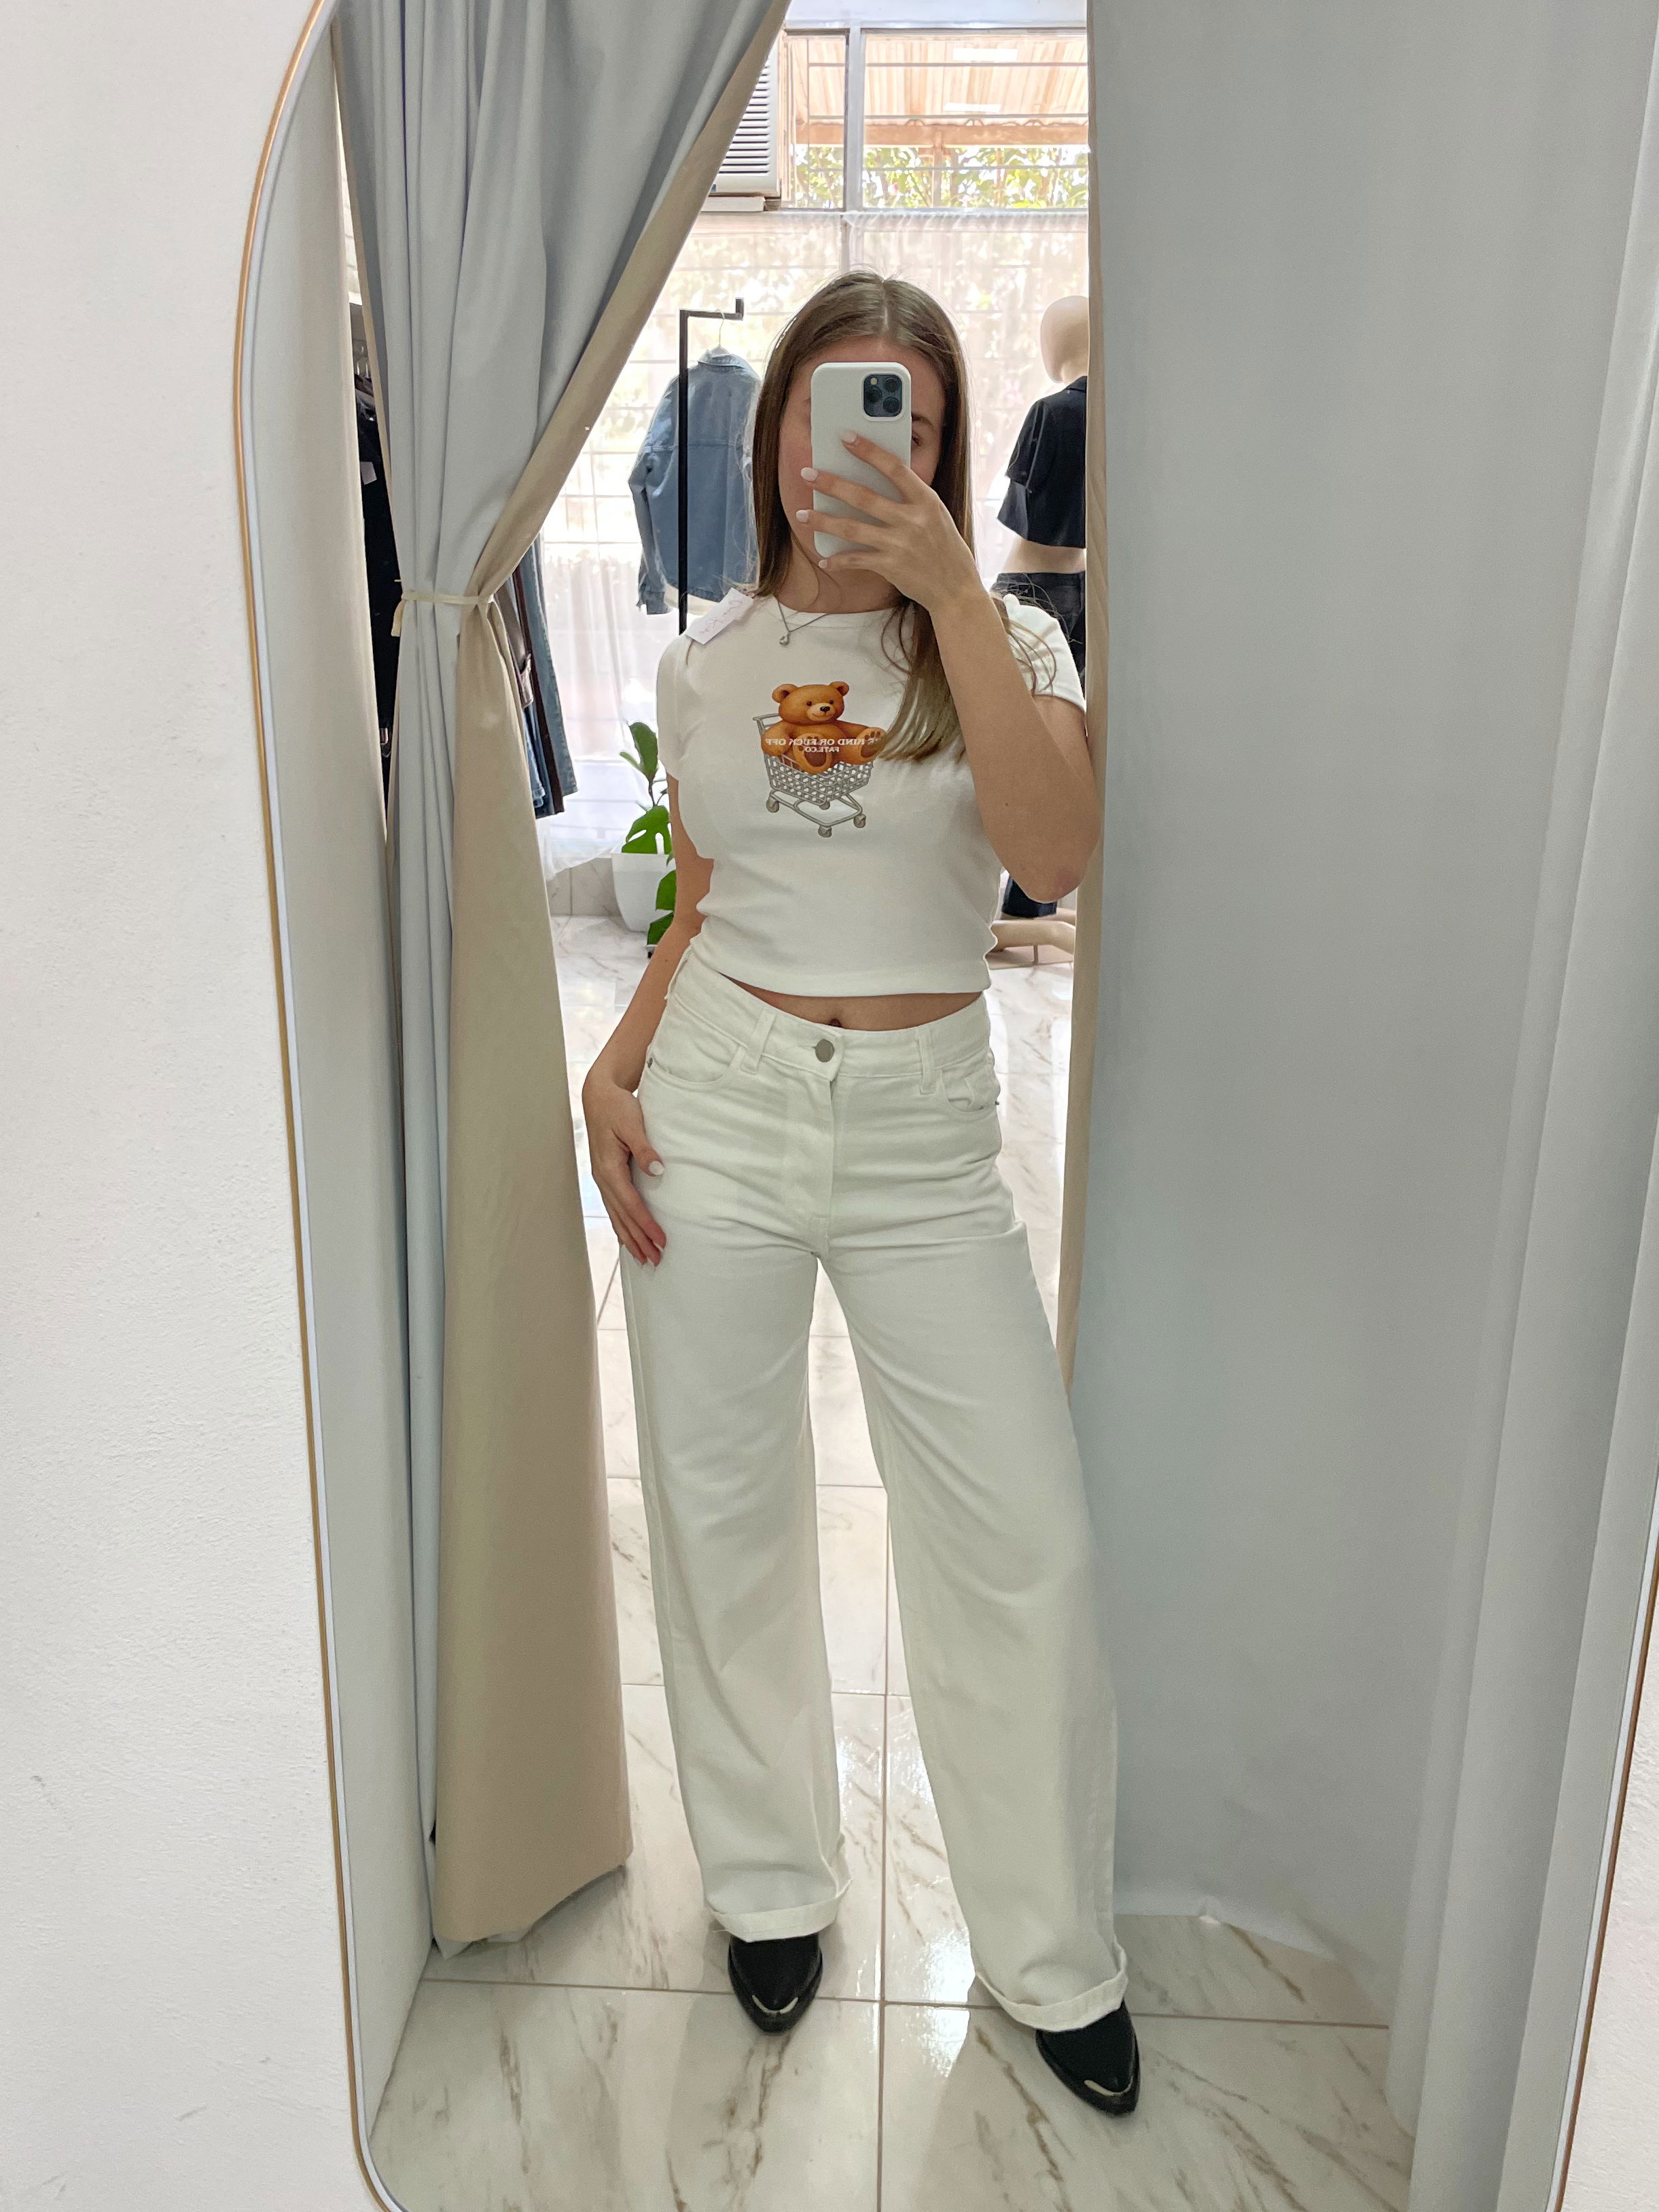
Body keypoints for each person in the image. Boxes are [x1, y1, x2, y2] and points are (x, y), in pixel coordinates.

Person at [581, 270, 1138, 2116]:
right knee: (721, 1513)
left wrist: (954, 594)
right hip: (718, 1101)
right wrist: (616, 1060)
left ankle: (1050, 1954)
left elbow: (1051, 855)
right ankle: (768, 1888)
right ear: (776, 443)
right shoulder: (707, 662)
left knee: (1021, 1546)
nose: (857, 457)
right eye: (829, 418)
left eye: (901, 421)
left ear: (942, 447)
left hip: (922, 1138)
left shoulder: (1012, 644)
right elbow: (709, 896)